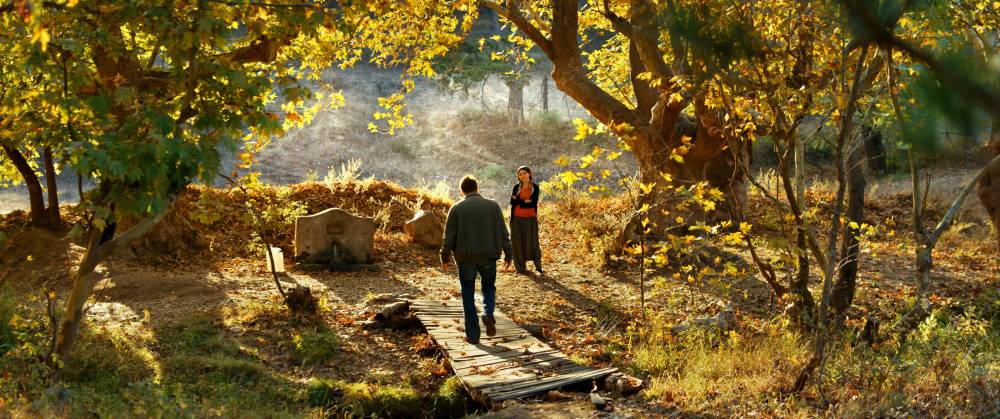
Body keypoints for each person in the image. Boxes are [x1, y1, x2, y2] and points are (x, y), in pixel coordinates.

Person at [441, 176, 513, 343]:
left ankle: (473, 336)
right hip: (488, 256)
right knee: (488, 287)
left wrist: (444, 256)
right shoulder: (493, 206)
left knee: (467, 292)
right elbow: (503, 232)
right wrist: (509, 254)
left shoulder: (457, 208)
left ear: (462, 191)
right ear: (477, 188)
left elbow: (448, 236)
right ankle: (488, 314)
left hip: (466, 258)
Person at [509, 166, 543, 274]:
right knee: (517, 243)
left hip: (530, 218)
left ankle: (538, 267)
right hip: (516, 219)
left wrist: (520, 201)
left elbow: (533, 203)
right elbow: (512, 202)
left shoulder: (535, 187)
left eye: (524, 173)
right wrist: (525, 202)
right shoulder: (516, 187)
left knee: (533, 242)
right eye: (520, 174)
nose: (522, 176)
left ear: (529, 174)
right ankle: (520, 268)